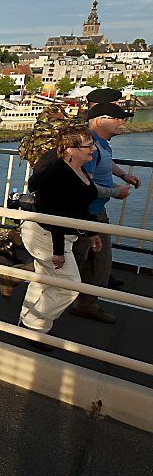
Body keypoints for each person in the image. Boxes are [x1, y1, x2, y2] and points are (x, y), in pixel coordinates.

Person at [18, 124, 102, 347]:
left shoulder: (76, 168)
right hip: (45, 234)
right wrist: (57, 251)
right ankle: (32, 325)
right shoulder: (58, 172)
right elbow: (53, 213)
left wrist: (92, 232)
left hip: (54, 234)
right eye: (89, 145)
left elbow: (79, 205)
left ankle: (31, 326)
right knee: (69, 285)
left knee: (43, 280)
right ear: (71, 149)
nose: (93, 149)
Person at [65, 102, 140, 323]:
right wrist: (116, 192)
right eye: (117, 118)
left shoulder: (102, 144)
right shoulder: (87, 146)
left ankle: (85, 303)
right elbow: (82, 185)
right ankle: (20, 275)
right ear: (99, 121)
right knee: (77, 259)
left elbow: (106, 163)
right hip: (84, 213)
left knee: (93, 260)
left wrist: (123, 175)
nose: (122, 122)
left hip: (95, 211)